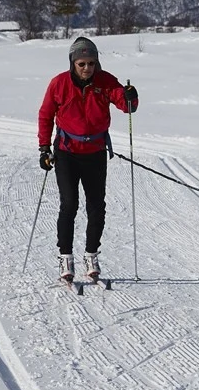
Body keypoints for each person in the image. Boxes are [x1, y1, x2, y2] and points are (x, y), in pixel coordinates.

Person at [37, 35, 139, 284]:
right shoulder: (59, 84)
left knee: (96, 207)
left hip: (94, 153)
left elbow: (127, 106)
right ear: (73, 62)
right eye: (82, 63)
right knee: (69, 204)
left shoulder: (105, 82)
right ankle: (65, 257)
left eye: (91, 63)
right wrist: (44, 148)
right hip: (66, 152)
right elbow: (46, 115)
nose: (87, 68)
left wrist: (131, 97)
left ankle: (91, 255)